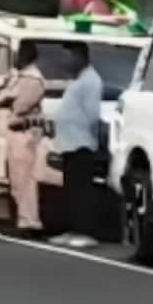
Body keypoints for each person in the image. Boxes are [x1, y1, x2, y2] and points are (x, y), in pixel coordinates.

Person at [51, 41, 105, 250]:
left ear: (81, 56)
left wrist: (91, 138)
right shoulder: (77, 80)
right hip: (69, 144)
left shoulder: (91, 81)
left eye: (70, 56)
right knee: (71, 191)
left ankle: (86, 232)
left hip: (82, 144)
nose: (66, 61)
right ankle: (72, 229)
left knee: (82, 192)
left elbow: (92, 115)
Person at [3, 41, 48, 239]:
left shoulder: (32, 79)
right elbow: (1, 97)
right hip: (15, 131)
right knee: (18, 179)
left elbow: (21, 106)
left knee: (26, 179)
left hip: (25, 132)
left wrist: (10, 98)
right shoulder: (19, 76)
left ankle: (30, 222)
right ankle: (25, 219)